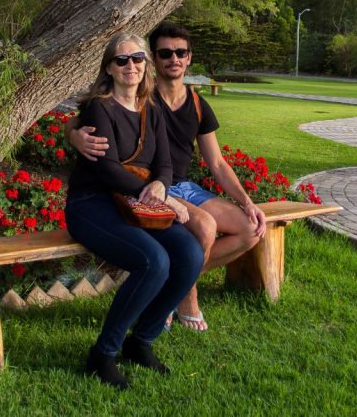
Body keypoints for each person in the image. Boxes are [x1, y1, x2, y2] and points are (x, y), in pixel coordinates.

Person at [70, 22, 267, 332]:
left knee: (251, 229)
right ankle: (187, 298)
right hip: (148, 186)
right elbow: (85, 116)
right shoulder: (140, 92)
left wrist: (247, 202)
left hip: (180, 186)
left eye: (180, 52)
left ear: (189, 58)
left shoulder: (198, 105)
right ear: (154, 59)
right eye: (165, 53)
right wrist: (74, 135)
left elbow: (217, 163)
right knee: (204, 226)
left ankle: (173, 284)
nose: (173, 59)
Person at [65, 33, 204, 390]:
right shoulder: (100, 108)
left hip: (138, 204)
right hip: (93, 204)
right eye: (122, 60)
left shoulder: (150, 108)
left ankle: (141, 341)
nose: (131, 66)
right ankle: (102, 354)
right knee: (153, 261)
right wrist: (162, 198)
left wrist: (161, 186)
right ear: (109, 68)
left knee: (189, 254)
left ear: (146, 65)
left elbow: (165, 164)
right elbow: (107, 170)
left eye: (138, 58)